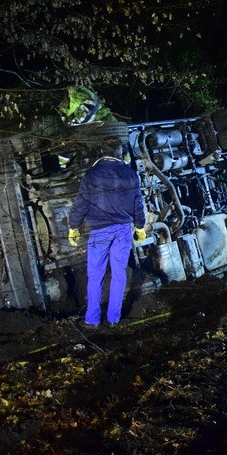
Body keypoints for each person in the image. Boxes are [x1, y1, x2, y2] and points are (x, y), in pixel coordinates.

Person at [68, 136, 146, 326]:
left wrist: (73, 226)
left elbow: (81, 203)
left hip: (100, 231)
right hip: (123, 230)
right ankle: (113, 320)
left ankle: (92, 321)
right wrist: (140, 226)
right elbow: (138, 203)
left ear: (102, 153)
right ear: (121, 153)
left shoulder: (92, 174)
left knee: (95, 275)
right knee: (119, 273)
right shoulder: (130, 173)